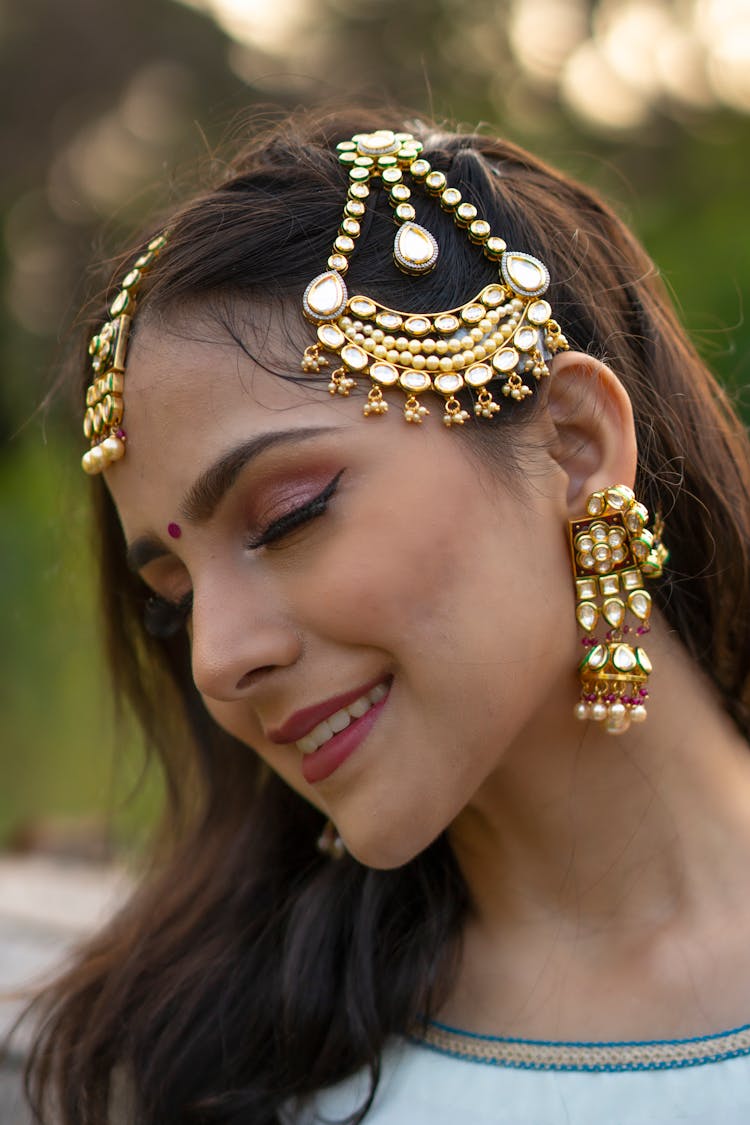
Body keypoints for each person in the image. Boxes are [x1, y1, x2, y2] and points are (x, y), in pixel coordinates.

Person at [24, 108, 750, 1124]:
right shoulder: (228, 1059)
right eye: (170, 606)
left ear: (575, 449)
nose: (217, 662)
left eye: (288, 517)